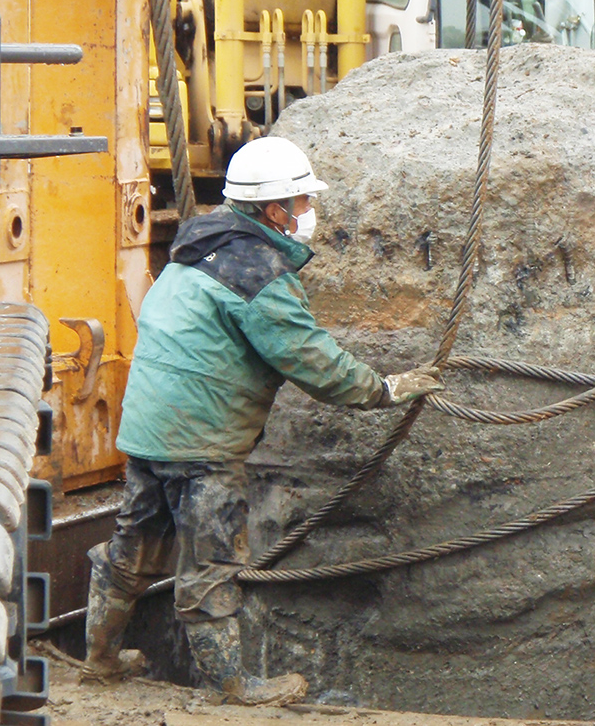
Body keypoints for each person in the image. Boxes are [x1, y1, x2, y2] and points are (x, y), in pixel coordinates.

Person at [82, 137, 445, 703]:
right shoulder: (256, 274)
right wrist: (383, 388)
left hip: (148, 429)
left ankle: (100, 660)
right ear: (274, 210)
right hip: (202, 442)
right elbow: (311, 358)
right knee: (212, 561)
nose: (307, 213)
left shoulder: (196, 246)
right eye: (301, 201)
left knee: (135, 544)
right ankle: (230, 686)